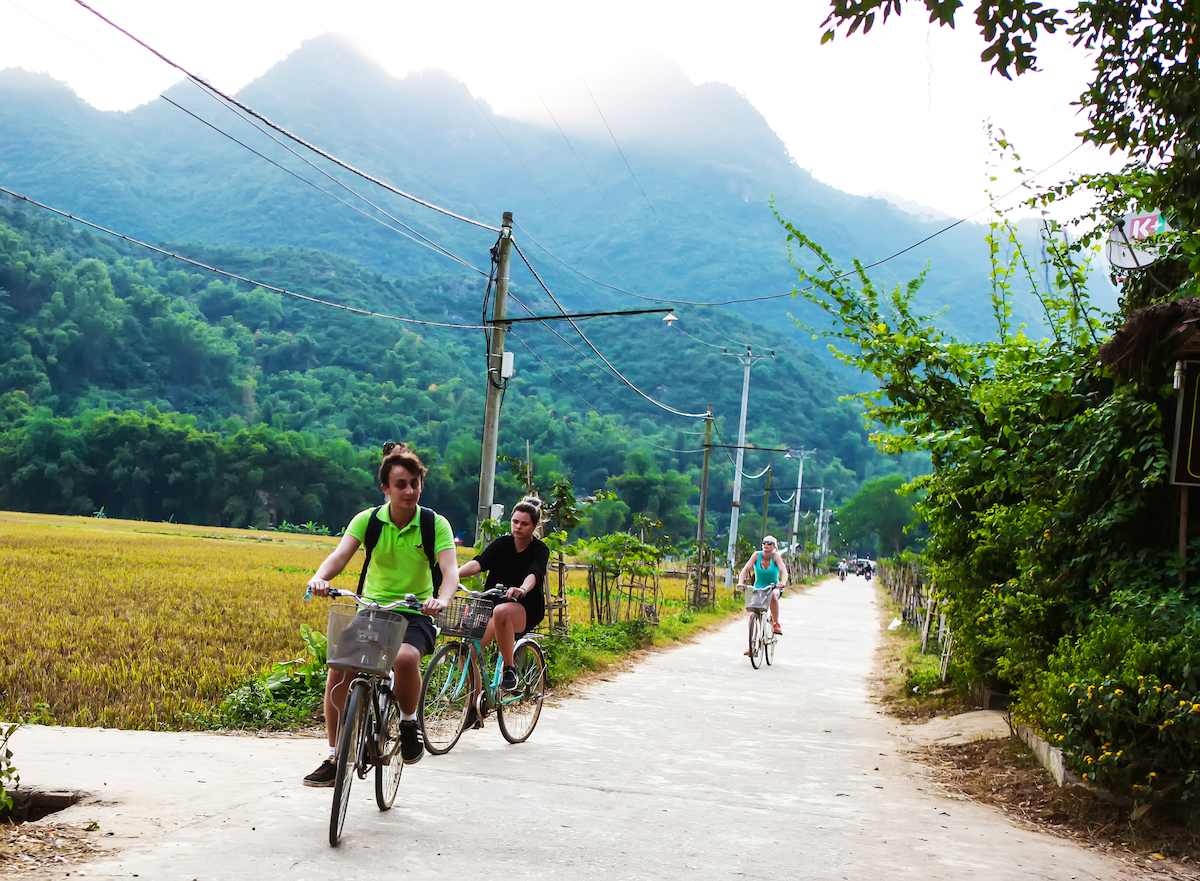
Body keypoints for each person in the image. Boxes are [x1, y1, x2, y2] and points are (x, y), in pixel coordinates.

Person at [302, 443, 458, 786]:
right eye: (401, 484)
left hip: (416, 613)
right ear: (385, 488)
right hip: (372, 609)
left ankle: (408, 720)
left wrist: (442, 600)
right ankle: (333, 755)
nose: (409, 490)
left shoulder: (435, 524)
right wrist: (321, 578)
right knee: (339, 669)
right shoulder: (368, 520)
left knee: (404, 659)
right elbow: (340, 555)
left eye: (415, 483)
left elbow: (450, 572)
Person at [456, 498, 549, 723]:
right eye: (515, 521)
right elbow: (479, 563)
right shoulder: (502, 544)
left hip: (525, 608)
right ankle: (475, 706)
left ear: (534, 526)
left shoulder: (540, 549)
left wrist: (522, 589)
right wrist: (453, 574)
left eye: (524, 524)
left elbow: (534, 574)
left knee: (502, 613)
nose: (518, 526)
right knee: (466, 653)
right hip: (492, 604)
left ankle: (509, 668)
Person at [737, 535, 789, 652]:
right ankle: (752, 646)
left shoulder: (776, 557)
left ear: (774, 547)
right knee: (752, 615)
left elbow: (783, 571)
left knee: (773, 597)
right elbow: (745, 569)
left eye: (769, 543)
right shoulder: (756, 555)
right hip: (758, 588)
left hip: (773, 587)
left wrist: (782, 582)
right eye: (764, 542)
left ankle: (776, 623)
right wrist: (740, 582)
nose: (766, 545)